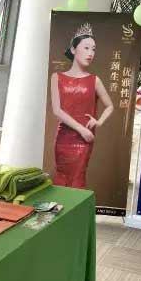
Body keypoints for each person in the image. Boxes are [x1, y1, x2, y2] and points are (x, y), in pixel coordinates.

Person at [50, 23, 113, 189]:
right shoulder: (56, 77)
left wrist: (98, 122)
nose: (90, 53)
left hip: (85, 140)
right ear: (73, 49)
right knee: (61, 177)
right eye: (86, 48)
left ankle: (76, 205)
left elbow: (110, 106)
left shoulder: (95, 80)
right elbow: (57, 110)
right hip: (64, 138)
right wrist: (81, 129)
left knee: (78, 177)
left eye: (93, 49)